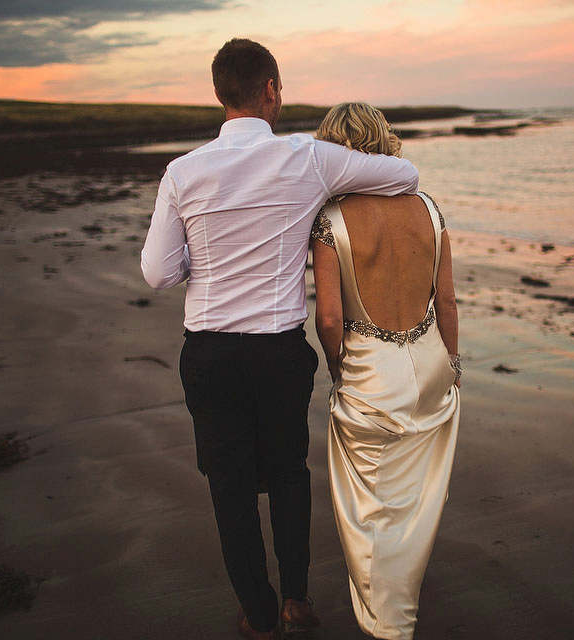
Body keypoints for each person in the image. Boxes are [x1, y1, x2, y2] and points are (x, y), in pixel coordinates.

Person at [140, 41, 420, 640]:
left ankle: (261, 617)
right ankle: (296, 599)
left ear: (220, 94)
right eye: (280, 88)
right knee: (290, 473)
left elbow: (158, 272)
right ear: (270, 89)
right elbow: (404, 175)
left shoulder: (183, 172)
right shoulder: (309, 159)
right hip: (277, 352)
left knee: (230, 487)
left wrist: (211, 256)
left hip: (210, 354)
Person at [310, 102, 461, 640]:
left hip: (371, 374)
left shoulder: (330, 220)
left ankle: (389, 622)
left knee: (372, 505)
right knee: (417, 494)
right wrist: (455, 365)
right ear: (385, 140)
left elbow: (329, 316)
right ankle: (404, 591)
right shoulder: (429, 207)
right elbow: (446, 301)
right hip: (432, 366)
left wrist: (337, 366)